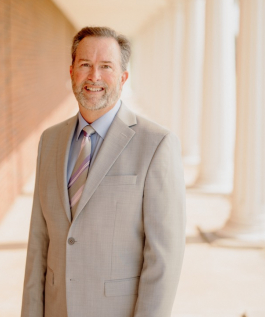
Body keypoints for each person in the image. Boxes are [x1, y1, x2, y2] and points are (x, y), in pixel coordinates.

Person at [21, 26, 186, 317]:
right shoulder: (50, 141)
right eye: (85, 65)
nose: (94, 76)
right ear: (72, 71)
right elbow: (38, 242)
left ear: (123, 77)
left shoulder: (157, 144)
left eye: (106, 66)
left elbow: (164, 259)